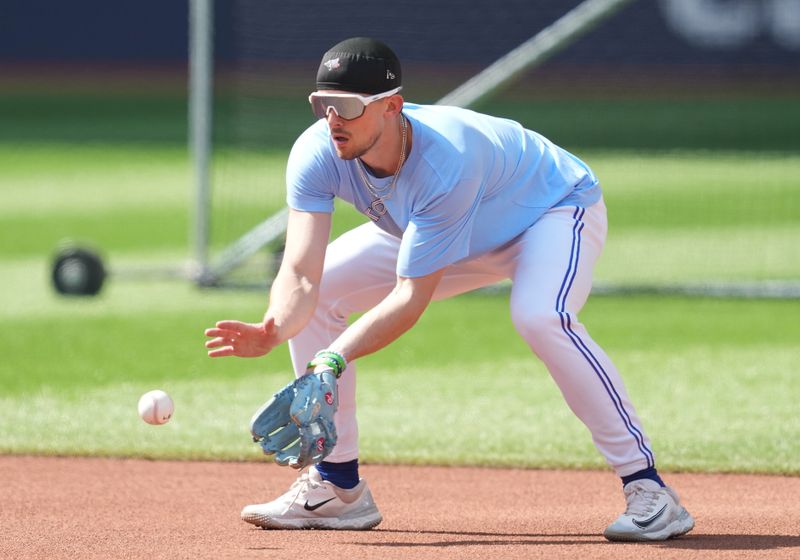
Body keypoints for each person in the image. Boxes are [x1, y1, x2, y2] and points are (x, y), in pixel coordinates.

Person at [204, 37, 695, 541]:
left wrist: (331, 361)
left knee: (540, 315)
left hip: (549, 211)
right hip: (438, 225)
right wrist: (275, 325)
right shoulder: (317, 151)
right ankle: (338, 488)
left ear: (391, 107)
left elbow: (408, 299)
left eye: (347, 107)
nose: (332, 119)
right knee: (326, 289)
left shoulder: (447, 158)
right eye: (323, 104)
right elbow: (303, 273)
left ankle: (649, 488)